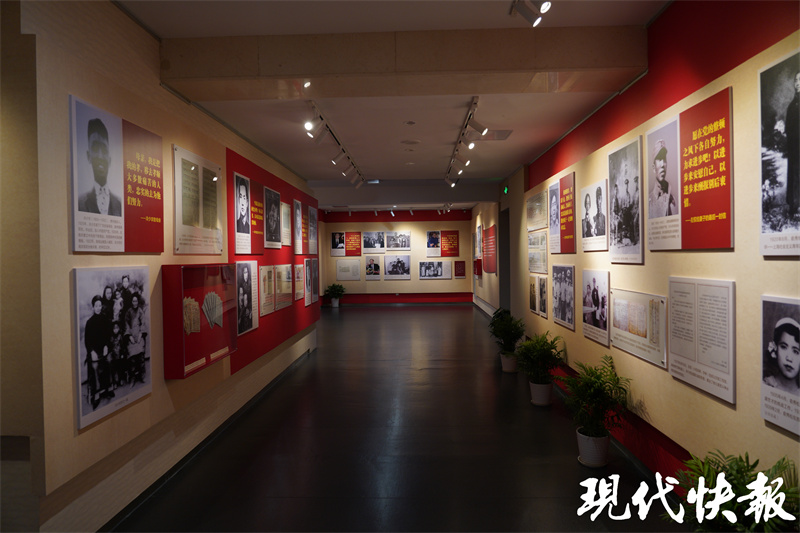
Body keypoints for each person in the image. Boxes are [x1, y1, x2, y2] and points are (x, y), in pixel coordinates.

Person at [78, 118, 122, 216]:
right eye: (95, 148)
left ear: (109, 160)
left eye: (104, 150)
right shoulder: (80, 203)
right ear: (88, 156)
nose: (100, 156)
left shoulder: (120, 205)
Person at [85, 295, 113, 409]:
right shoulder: (89, 323)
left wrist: (106, 345)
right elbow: (87, 341)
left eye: (99, 305)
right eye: (96, 306)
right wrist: (92, 351)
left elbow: (108, 336)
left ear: (101, 306)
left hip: (104, 349)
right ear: (93, 307)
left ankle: (109, 387)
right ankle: (96, 393)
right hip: (94, 352)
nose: (98, 308)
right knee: (95, 366)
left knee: (109, 360)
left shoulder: (105, 320)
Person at [764, 317, 800, 395]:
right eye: (783, 347)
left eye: (796, 351)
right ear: (775, 348)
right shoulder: (766, 384)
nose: (789, 358)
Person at [649, 141, 677, 218]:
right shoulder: (648, 202)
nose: (662, 165)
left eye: (664, 159)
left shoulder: (672, 201)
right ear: (653, 168)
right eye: (659, 159)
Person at [124, 293, 147, 384]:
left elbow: (143, 324)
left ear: (138, 301)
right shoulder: (128, 312)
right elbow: (126, 325)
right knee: (132, 358)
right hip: (131, 337)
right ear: (131, 302)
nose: (135, 303)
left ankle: (142, 375)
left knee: (141, 357)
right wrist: (130, 337)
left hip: (139, 336)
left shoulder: (140, 311)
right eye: (133, 301)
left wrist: (140, 335)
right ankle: (133, 377)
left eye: (136, 301)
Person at [786, 72, 800, 218]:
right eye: (796, 80)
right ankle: (794, 205)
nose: (797, 83)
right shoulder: (792, 105)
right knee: (794, 174)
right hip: (794, 147)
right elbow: (788, 128)